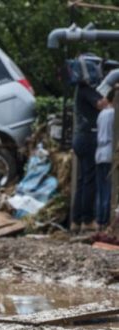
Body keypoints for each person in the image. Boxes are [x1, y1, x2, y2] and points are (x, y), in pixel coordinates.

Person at [72, 76, 109, 233]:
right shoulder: (87, 90)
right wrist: (111, 90)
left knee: (82, 180)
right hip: (88, 138)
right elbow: (102, 104)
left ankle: (76, 220)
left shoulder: (80, 89)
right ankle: (87, 220)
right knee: (89, 180)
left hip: (80, 138)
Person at [95, 88, 115, 230]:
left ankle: (99, 220)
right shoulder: (114, 114)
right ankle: (106, 220)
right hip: (109, 152)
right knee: (108, 188)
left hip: (99, 152)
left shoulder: (102, 114)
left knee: (101, 189)